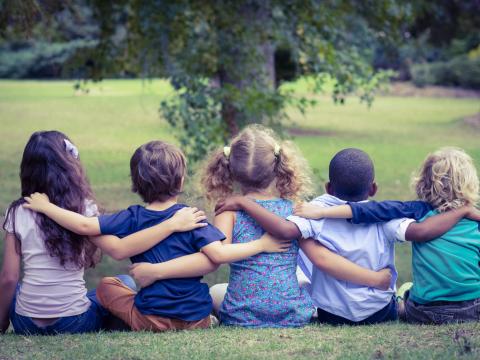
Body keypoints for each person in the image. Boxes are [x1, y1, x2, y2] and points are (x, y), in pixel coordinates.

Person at [131, 127, 394, 328]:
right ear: (279, 167)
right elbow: (319, 256)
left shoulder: (229, 210)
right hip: (293, 314)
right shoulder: (293, 209)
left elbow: (217, 255)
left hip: (241, 315)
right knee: (301, 280)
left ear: (230, 170)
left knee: (215, 291)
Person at [23, 139, 290, 332]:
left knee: (107, 286)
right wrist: (262, 244)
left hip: (150, 317)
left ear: (135, 184)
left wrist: (47, 207)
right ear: (181, 180)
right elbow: (214, 259)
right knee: (204, 293)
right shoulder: (191, 216)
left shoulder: (133, 217)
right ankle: (205, 320)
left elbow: (84, 227)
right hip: (195, 316)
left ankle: (129, 320)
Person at [215, 148, 474, 325]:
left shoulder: (315, 212)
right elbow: (421, 232)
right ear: (373, 188)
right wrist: (463, 210)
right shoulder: (385, 216)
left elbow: (284, 231)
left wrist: (244, 203)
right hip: (379, 312)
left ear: (328, 187)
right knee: (403, 293)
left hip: (331, 314)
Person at [0, 131, 199, 335]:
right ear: (71, 166)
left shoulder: (17, 212)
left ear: (27, 170)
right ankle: (118, 322)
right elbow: (118, 248)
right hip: (73, 321)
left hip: (26, 324)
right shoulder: (83, 211)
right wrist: (171, 225)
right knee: (125, 282)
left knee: (17, 289)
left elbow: (9, 277)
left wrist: (2, 324)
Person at [296, 147, 480, 324]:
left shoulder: (415, 213)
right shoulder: (391, 220)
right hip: (468, 308)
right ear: (373, 188)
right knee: (407, 290)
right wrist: (463, 212)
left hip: (336, 313)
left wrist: (320, 215)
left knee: (407, 292)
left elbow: (372, 211)